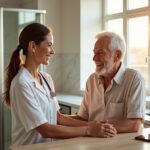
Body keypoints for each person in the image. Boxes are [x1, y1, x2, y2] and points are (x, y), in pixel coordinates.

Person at [3, 23, 117, 146]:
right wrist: (89, 130)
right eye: (49, 45)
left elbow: (58, 117)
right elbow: (45, 129)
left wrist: (93, 125)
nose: (52, 51)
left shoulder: (46, 79)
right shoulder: (21, 84)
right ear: (33, 46)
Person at [72, 31, 145, 133]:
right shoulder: (91, 80)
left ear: (117, 55)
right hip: (93, 143)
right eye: (94, 53)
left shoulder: (134, 79)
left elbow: (134, 124)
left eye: (100, 53)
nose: (94, 58)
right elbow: (83, 118)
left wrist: (98, 129)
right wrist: (57, 118)